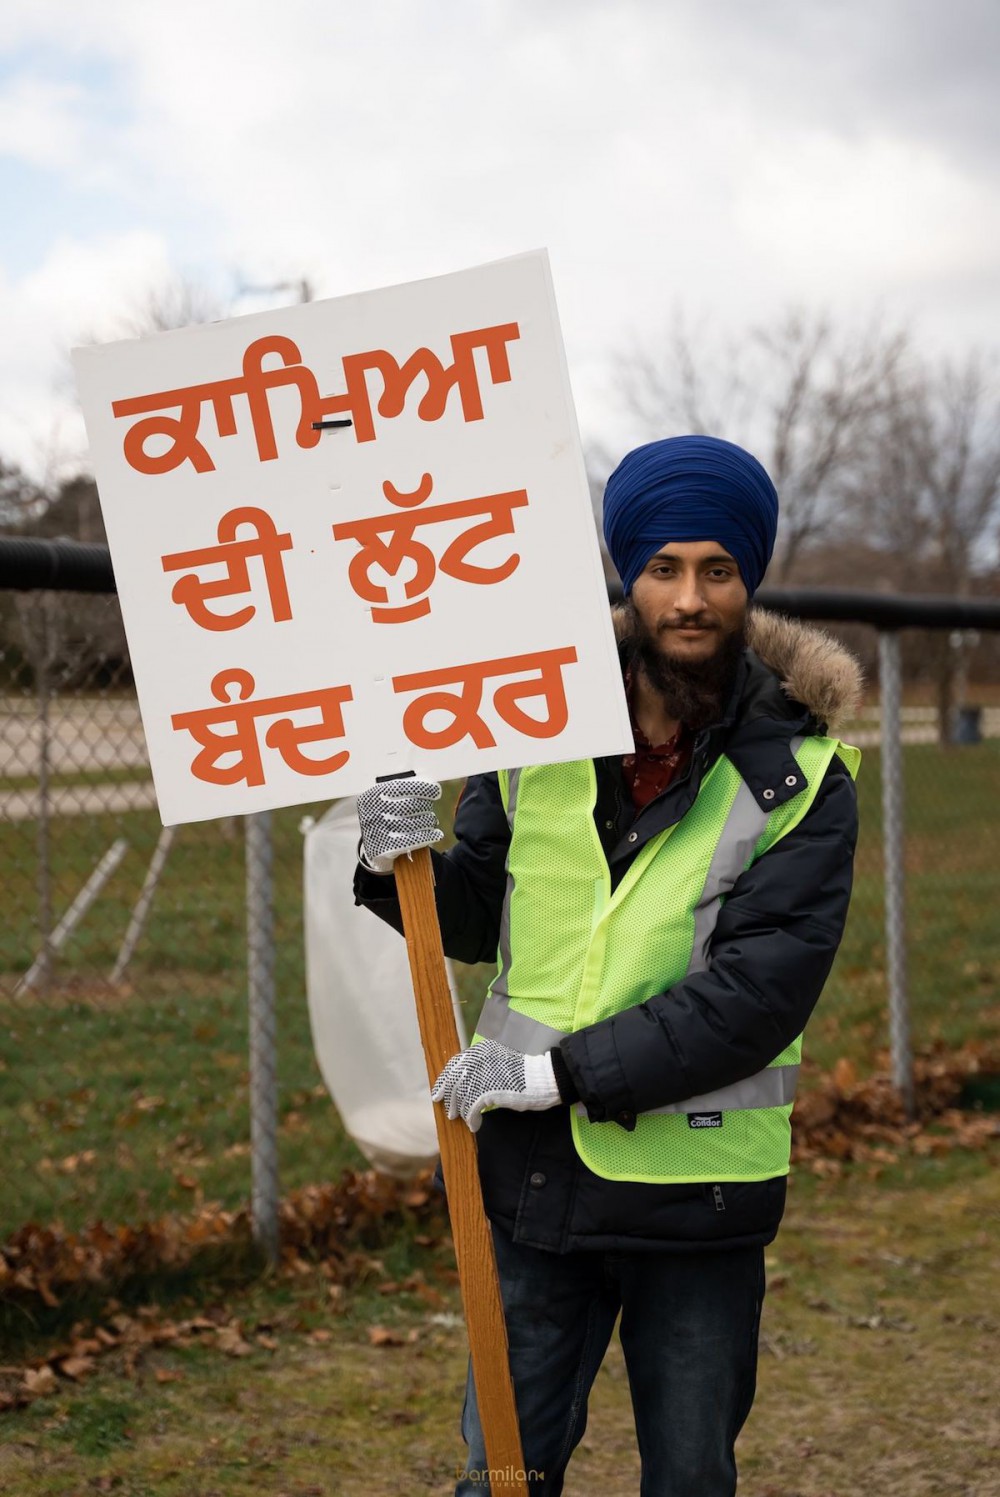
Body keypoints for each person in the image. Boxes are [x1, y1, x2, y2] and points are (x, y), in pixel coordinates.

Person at [354, 434, 861, 1496]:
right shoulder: (528, 734)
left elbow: (755, 995)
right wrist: (389, 856)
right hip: (537, 1191)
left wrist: (558, 1073)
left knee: (687, 1476)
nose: (689, 597)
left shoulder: (802, 777)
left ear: (748, 580)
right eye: (663, 567)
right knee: (503, 1472)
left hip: (700, 1198)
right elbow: (482, 909)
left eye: (716, 569)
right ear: (626, 578)